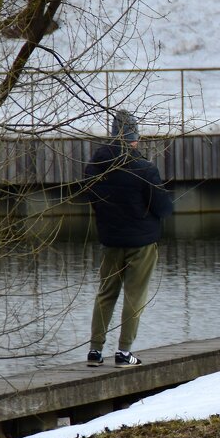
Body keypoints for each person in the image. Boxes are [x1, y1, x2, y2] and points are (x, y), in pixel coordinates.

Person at [85, 111, 174, 368]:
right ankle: (124, 353)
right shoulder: (145, 169)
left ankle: (95, 351)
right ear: (134, 138)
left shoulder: (95, 167)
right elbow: (163, 209)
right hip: (142, 244)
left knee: (106, 294)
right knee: (134, 296)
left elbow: (91, 198)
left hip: (111, 241)